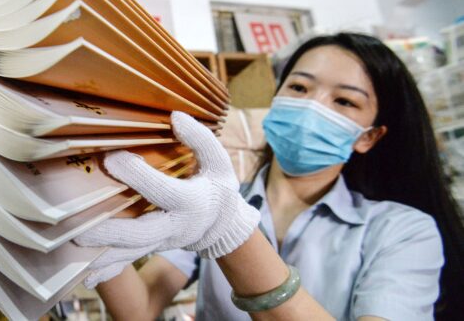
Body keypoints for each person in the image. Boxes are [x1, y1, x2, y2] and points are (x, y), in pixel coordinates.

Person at [75, 33, 464, 320]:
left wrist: (232, 236)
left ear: (370, 136)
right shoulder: (210, 201)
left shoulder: (404, 230)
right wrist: (97, 219)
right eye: (298, 86)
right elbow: (140, 310)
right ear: (276, 98)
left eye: (344, 101)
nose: (311, 107)